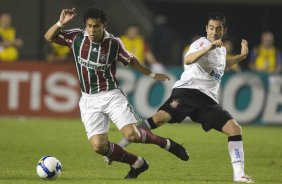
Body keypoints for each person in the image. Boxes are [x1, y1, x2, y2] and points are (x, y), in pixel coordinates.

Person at [44, 7, 189, 179]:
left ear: (104, 25)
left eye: (96, 26)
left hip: (111, 95)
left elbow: (131, 60)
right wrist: (61, 22)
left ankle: (166, 144)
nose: (92, 30)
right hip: (89, 99)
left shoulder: (113, 43)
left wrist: (151, 74)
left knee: (132, 135)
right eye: (89, 26)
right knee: (99, 146)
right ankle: (137, 163)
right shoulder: (77, 37)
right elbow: (49, 37)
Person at [114, 12, 254, 183]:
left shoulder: (222, 50)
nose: (214, 32)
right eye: (211, 28)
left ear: (224, 30)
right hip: (188, 91)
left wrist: (242, 56)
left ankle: (239, 175)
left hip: (208, 101)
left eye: (218, 29)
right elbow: (188, 60)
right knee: (159, 119)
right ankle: (120, 145)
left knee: (234, 129)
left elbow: (223, 64)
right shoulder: (201, 43)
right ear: (206, 29)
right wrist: (207, 48)